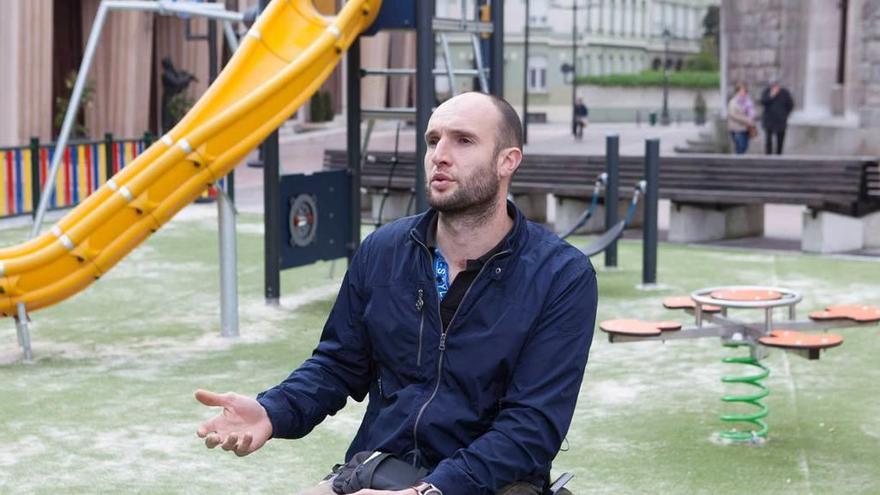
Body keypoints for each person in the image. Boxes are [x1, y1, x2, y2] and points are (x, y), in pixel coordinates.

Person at [195, 92, 598, 495]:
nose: (440, 154)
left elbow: (530, 428)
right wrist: (272, 410)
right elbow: (338, 364)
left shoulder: (561, 276)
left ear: (507, 161)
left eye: (463, 140)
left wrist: (428, 491)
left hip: (487, 484)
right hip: (379, 466)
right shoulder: (383, 251)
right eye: (432, 140)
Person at [759, 79, 794, 155]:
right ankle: (768, 156)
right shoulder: (767, 91)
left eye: (776, 85)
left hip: (780, 121)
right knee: (768, 139)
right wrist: (771, 95)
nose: (775, 87)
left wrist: (785, 114)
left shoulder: (785, 93)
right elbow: (762, 101)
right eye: (773, 85)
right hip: (769, 120)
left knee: (780, 140)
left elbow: (790, 105)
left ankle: (779, 155)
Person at [726, 82, 756, 155]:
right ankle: (737, 163)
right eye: (741, 91)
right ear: (737, 91)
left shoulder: (748, 101)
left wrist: (752, 116)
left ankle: (739, 162)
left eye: (745, 91)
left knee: (745, 147)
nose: (743, 92)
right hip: (737, 128)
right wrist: (747, 120)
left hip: (746, 128)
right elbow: (733, 115)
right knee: (740, 147)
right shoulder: (733, 102)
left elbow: (752, 111)